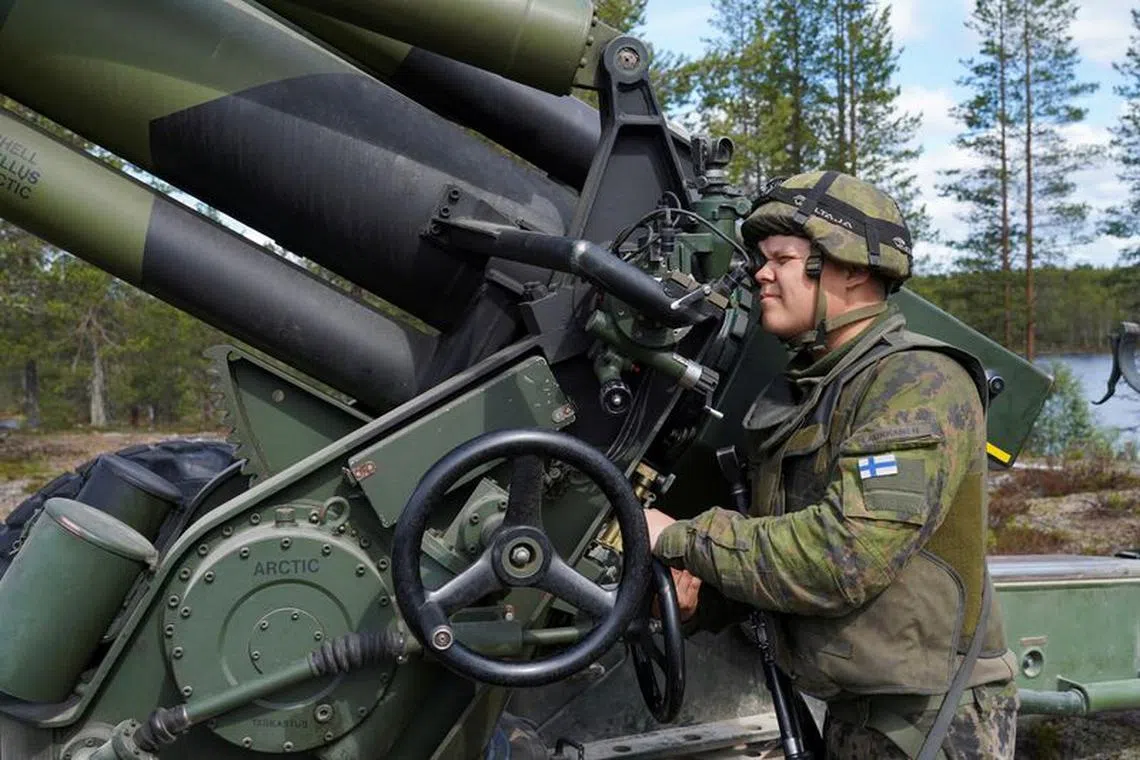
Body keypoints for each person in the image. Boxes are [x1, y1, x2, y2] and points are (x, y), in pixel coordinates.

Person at [644, 171, 1019, 758]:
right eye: (761, 260)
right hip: (858, 713)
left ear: (853, 269)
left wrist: (684, 539)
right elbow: (782, 540)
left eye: (784, 259)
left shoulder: (918, 382)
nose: (762, 275)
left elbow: (845, 556)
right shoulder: (813, 389)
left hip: (927, 723)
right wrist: (702, 598)